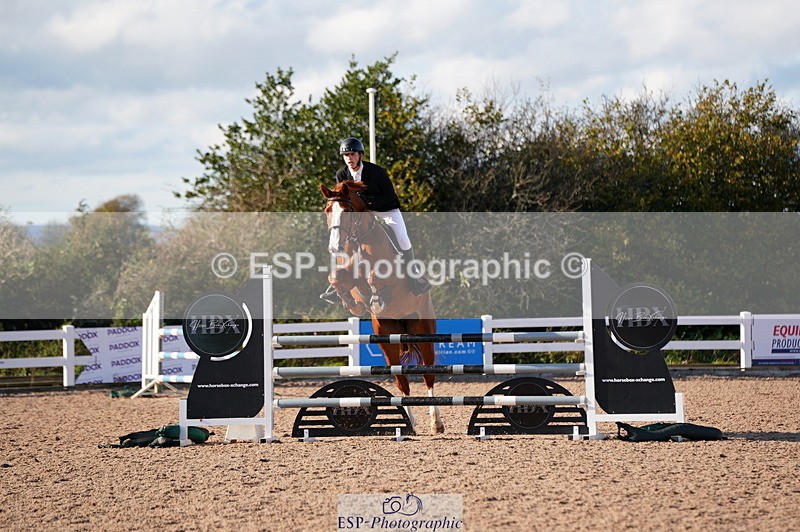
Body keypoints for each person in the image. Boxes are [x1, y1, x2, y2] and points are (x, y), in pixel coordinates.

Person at [321, 137, 431, 303]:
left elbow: (390, 197)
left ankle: (413, 274)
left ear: (360, 155)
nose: (349, 158)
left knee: (402, 238)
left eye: (352, 154)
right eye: (346, 155)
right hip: (360, 214)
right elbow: (343, 197)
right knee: (342, 238)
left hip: (385, 209)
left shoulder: (376, 172)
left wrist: (369, 203)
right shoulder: (341, 174)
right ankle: (337, 282)